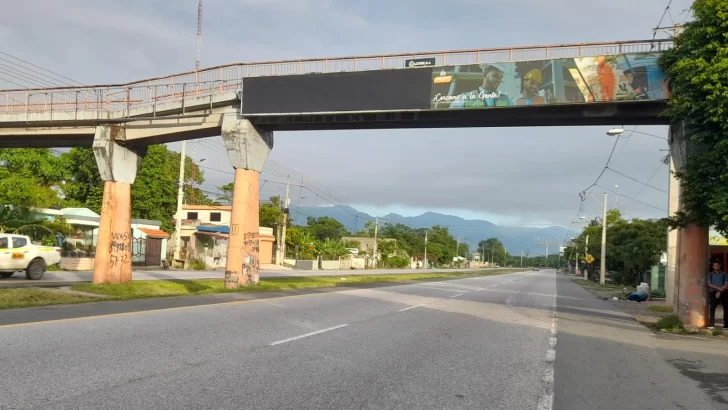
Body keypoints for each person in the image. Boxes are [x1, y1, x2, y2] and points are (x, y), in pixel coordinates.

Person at [707, 261, 728, 328]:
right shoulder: (710, 274)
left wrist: (720, 291)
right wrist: (718, 289)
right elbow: (709, 284)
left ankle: (726, 324)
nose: (716, 267)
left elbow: (726, 284)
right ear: (713, 267)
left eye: (717, 265)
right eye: (715, 265)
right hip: (713, 292)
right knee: (712, 307)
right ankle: (712, 323)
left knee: (726, 308)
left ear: (720, 266)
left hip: (723, 292)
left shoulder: (724, 274)